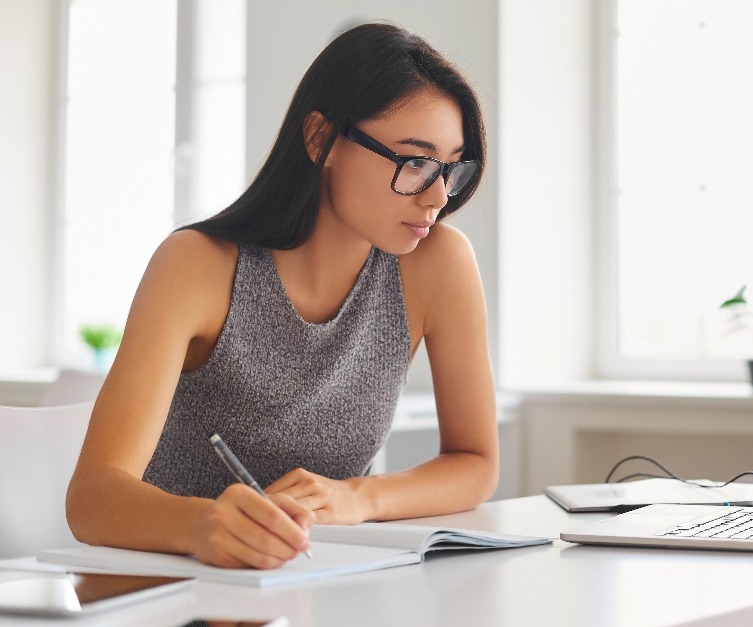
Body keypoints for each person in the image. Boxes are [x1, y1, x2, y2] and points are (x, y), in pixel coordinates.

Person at [65, 22, 498, 570]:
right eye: (414, 162)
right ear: (321, 139)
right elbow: (92, 499)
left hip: (314, 582)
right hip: (168, 585)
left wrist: (358, 497)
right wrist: (202, 525)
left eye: (450, 168)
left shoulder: (439, 263)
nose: (437, 196)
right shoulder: (197, 265)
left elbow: (475, 462)